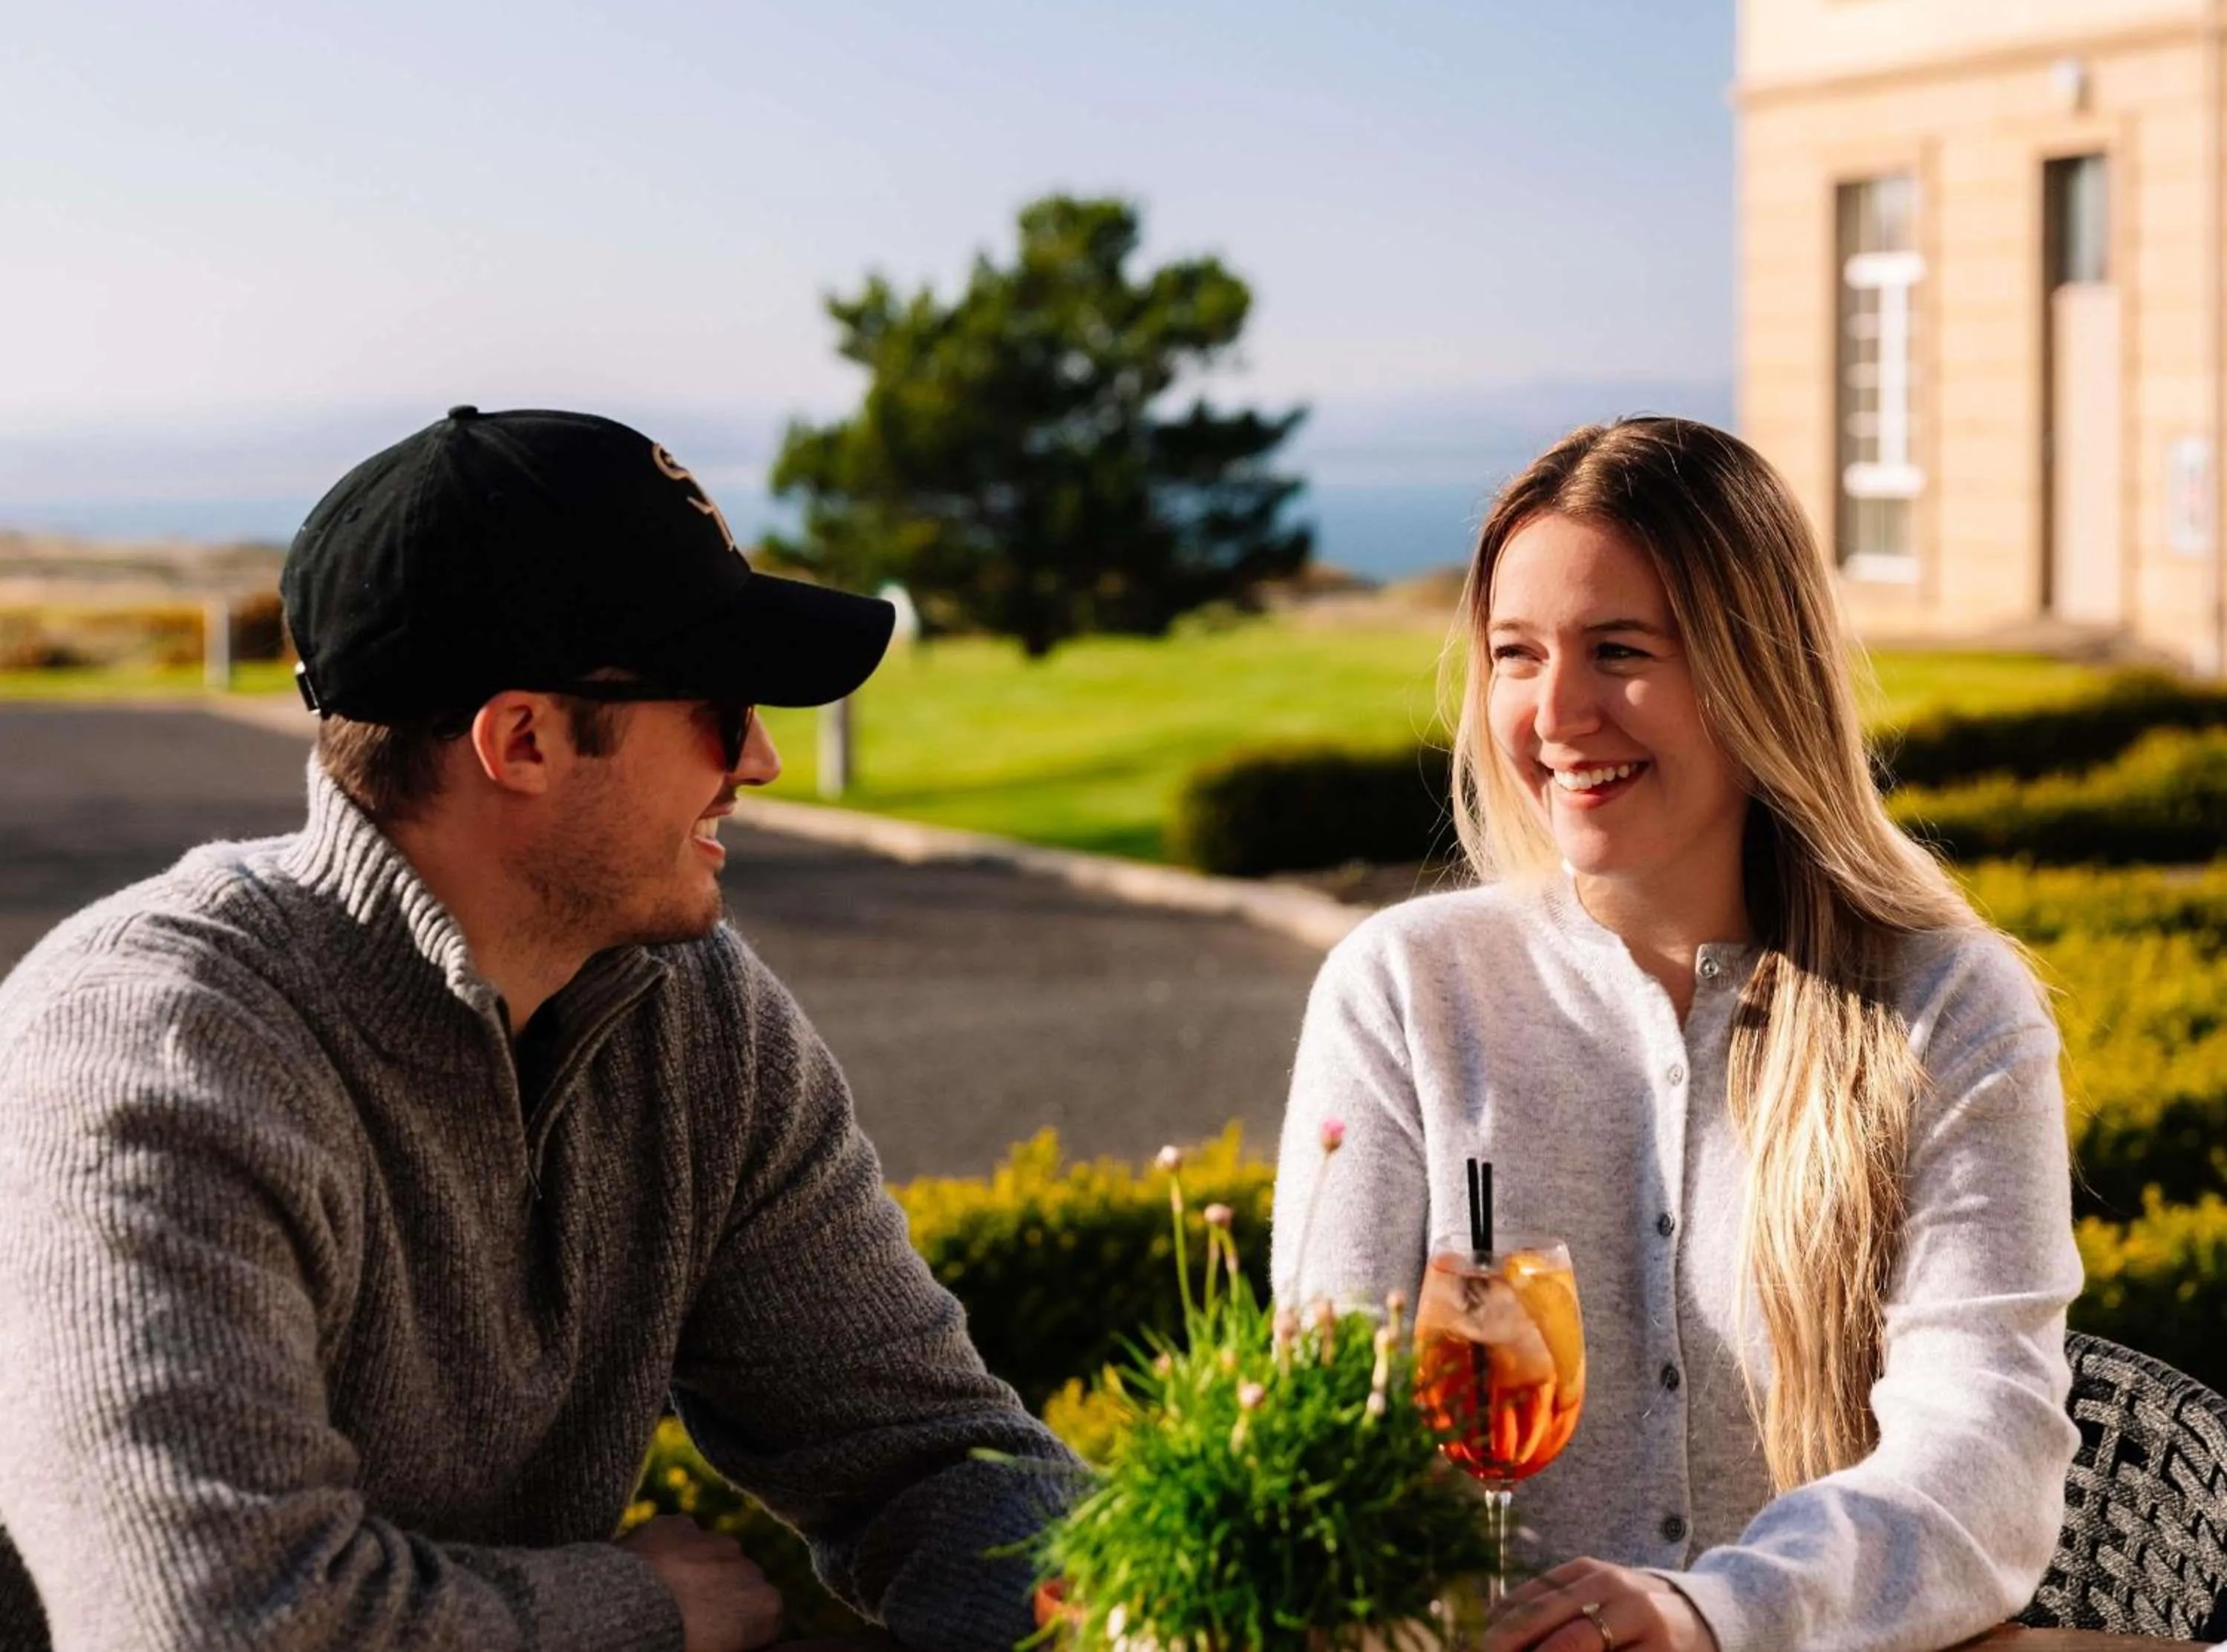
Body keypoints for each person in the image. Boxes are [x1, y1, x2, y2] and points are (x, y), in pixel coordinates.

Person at [0, 407, 1079, 1652]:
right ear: (523, 739)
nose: (764, 760)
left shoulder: (694, 1017)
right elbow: (215, 1625)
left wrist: (1153, 1595)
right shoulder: (155, 1052)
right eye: (722, 708)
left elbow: (927, 1460)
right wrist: (644, 1610)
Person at [1270, 417, 2082, 1652]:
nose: (1557, 712)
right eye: (1516, 654)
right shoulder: (1403, 993)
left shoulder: (1947, 1007)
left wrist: (1715, 1612)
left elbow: (1988, 1455)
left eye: (1620, 650)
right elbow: (1322, 1447)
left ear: (1755, 670)